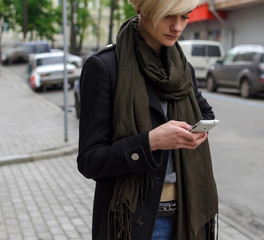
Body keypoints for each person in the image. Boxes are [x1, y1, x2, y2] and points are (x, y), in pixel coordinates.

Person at [76, 0, 218, 239]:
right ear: (141, 8)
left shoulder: (182, 68)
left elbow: (205, 114)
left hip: (188, 214)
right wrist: (150, 142)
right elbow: (90, 161)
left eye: (185, 16)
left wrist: (195, 133)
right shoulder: (105, 67)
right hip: (132, 221)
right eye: (168, 16)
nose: (177, 26)